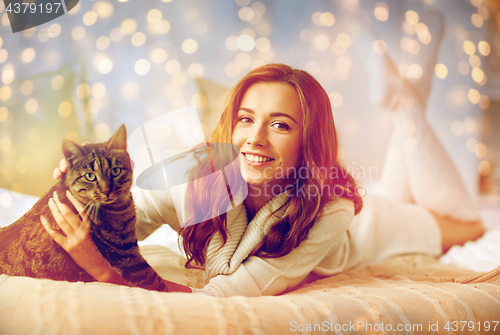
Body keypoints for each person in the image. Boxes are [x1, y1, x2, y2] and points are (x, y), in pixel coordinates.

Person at [43, 63, 484, 297]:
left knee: (470, 224)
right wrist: (72, 195)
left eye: (280, 125)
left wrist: (104, 271)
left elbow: (221, 299)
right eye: (246, 119)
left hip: (374, 227)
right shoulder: (196, 179)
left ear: (307, 141)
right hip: (366, 205)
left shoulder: (332, 209)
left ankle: (407, 105)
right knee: (403, 180)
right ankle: (407, 102)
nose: (254, 138)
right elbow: (118, 224)